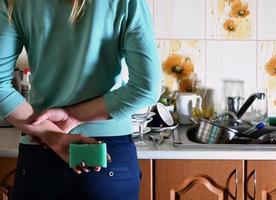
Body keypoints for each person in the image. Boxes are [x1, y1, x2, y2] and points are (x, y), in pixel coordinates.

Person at [0, 0, 161, 199]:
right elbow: (146, 88)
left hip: (41, 147)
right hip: (106, 155)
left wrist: (52, 135)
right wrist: (74, 116)